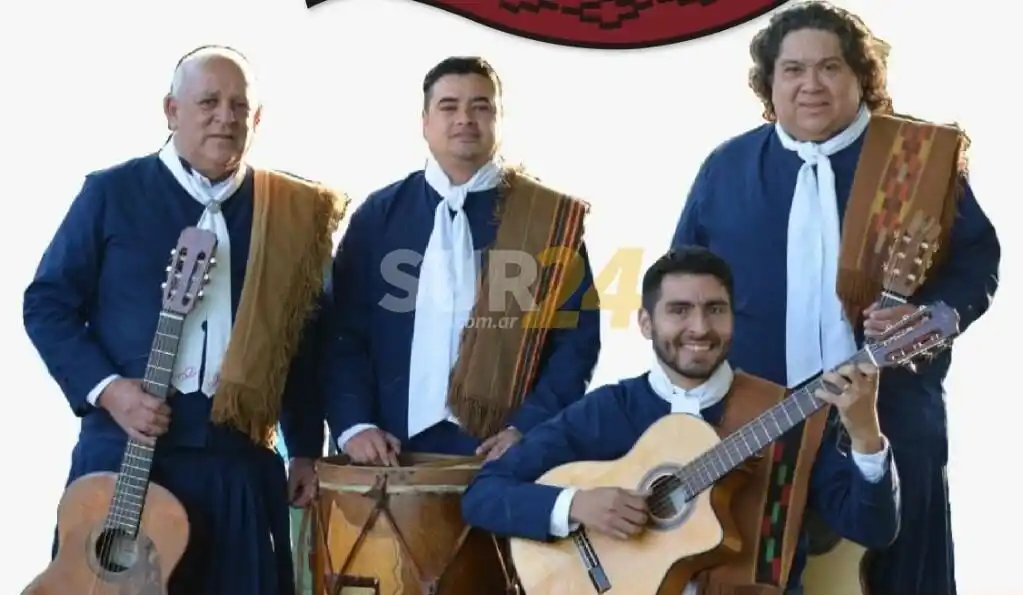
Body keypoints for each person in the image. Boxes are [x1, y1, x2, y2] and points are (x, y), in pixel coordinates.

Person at [669, 3, 1000, 594]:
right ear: (769, 83)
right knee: (755, 577)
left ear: (861, 78)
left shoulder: (916, 160)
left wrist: (934, 316)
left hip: (892, 415)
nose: (811, 84)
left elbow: (977, 262)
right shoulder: (726, 168)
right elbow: (682, 283)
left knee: (900, 579)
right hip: (759, 425)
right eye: (793, 70)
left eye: (830, 68)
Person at [23, 45, 346, 595]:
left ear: (257, 119)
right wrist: (109, 391)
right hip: (122, 453)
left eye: (239, 106)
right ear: (172, 111)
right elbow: (48, 304)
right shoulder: (111, 192)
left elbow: (307, 341)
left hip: (237, 459)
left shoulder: (292, 213)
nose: (225, 116)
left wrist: (307, 450)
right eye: (209, 102)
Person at [461, 247, 900, 594]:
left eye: (715, 309)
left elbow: (875, 530)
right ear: (646, 323)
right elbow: (483, 494)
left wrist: (865, 435)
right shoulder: (609, 411)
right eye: (679, 310)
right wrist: (576, 505)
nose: (699, 327)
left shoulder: (787, 415)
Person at [323, 56, 601, 465]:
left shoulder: (547, 220)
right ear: (424, 122)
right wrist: (354, 425)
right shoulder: (378, 216)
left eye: (481, 106)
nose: (465, 119)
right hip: (390, 459)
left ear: (500, 119)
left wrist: (530, 427)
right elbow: (341, 334)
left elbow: (576, 339)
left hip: (506, 460)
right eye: (449, 106)